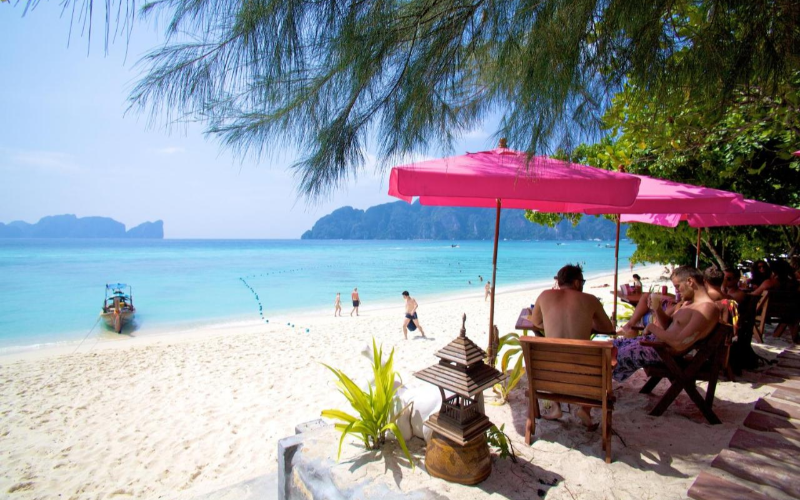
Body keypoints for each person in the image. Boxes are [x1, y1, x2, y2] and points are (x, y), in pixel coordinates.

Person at [530, 264, 614, 429]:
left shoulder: (544, 296)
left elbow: (537, 323)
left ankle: (555, 407)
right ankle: (585, 409)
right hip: (584, 375)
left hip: (548, 374)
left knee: (552, 354)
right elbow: (608, 328)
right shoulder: (590, 299)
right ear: (576, 282)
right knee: (603, 360)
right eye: (582, 281)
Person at [613, 266, 719, 382]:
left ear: (690, 281)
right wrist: (657, 308)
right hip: (655, 345)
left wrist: (651, 327)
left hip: (662, 352)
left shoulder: (706, 308)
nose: (676, 291)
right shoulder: (689, 303)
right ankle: (600, 389)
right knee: (611, 345)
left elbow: (679, 343)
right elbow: (668, 326)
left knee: (611, 356)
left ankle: (598, 393)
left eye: (677, 286)